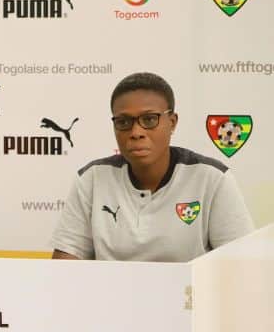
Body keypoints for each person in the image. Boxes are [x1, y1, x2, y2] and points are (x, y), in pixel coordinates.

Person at [51, 72, 254, 262]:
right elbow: (65, 270)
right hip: (110, 299)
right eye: (123, 122)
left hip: (187, 299)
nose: (136, 132)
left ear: (172, 122)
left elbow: (240, 270)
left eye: (149, 119)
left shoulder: (212, 179)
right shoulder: (92, 179)